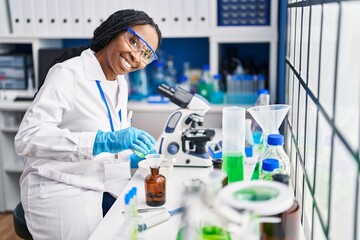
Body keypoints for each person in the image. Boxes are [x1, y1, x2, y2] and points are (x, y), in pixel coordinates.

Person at [14, 9, 162, 239]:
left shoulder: (120, 83)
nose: (136, 56)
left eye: (146, 54)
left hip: (97, 181)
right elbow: (27, 138)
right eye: (133, 42)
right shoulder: (68, 73)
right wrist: (103, 141)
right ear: (114, 30)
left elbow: (103, 143)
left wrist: (127, 157)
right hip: (59, 187)